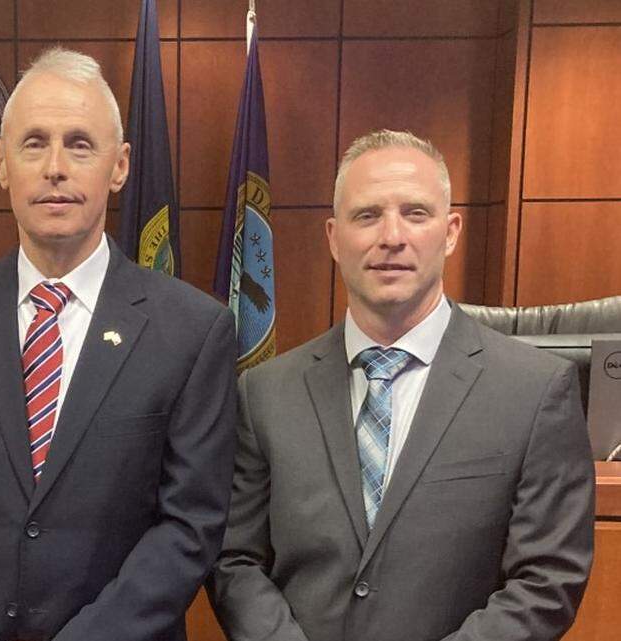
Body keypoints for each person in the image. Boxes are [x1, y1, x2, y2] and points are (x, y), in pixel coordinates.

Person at [0, 47, 237, 641]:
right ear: (1, 164)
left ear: (119, 166)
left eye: (79, 143)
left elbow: (190, 524)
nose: (55, 167)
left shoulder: (193, 330)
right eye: (33, 143)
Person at [209, 129, 594, 641]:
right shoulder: (265, 393)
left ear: (451, 231)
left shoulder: (536, 390)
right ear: (333, 237)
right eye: (367, 215)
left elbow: (547, 580)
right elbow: (234, 560)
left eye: (416, 213)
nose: (392, 236)